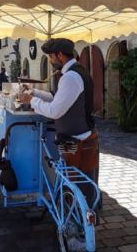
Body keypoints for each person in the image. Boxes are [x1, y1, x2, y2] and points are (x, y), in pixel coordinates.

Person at [19, 38, 99, 213]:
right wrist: (35, 92)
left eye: (51, 57)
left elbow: (55, 111)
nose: (50, 60)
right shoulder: (75, 72)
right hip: (78, 135)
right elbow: (59, 98)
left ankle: (77, 226)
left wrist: (31, 100)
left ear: (60, 55)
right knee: (76, 180)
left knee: (75, 182)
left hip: (74, 140)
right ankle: (76, 217)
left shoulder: (70, 77)